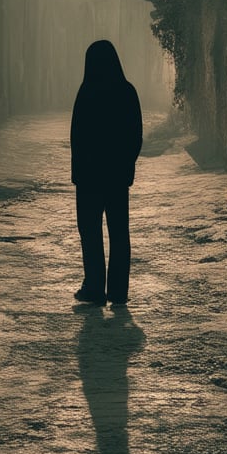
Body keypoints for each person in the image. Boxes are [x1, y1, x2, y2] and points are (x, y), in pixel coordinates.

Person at [70, 40, 143, 306]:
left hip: (89, 179)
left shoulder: (87, 92)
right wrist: (126, 166)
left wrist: (78, 172)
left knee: (90, 232)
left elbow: (77, 137)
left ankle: (94, 288)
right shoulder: (126, 91)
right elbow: (135, 135)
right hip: (116, 177)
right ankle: (118, 291)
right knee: (119, 233)